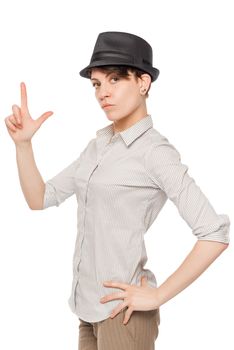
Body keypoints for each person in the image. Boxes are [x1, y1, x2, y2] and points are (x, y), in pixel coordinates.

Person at [5, 31, 230, 350]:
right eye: (97, 84)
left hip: (123, 315)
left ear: (143, 83)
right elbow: (40, 198)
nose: (102, 93)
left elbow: (214, 233)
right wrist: (24, 145)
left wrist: (158, 295)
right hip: (87, 311)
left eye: (114, 80)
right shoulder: (96, 147)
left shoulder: (155, 152)